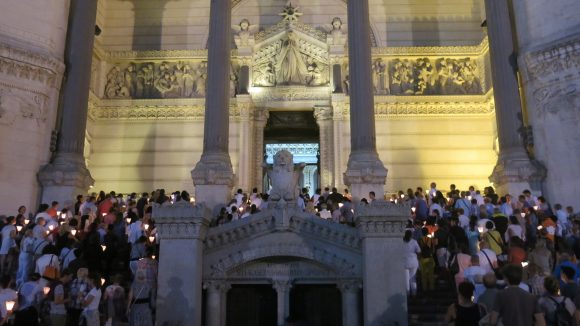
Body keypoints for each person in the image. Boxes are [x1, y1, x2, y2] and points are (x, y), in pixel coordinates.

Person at [403, 230, 420, 296]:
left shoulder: (401, 242)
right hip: (413, 261)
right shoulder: (414, 242)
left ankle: (407, 294)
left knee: (406, 280)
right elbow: (419, 251)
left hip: (404, 262)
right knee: (413, 278)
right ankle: (414, 294)